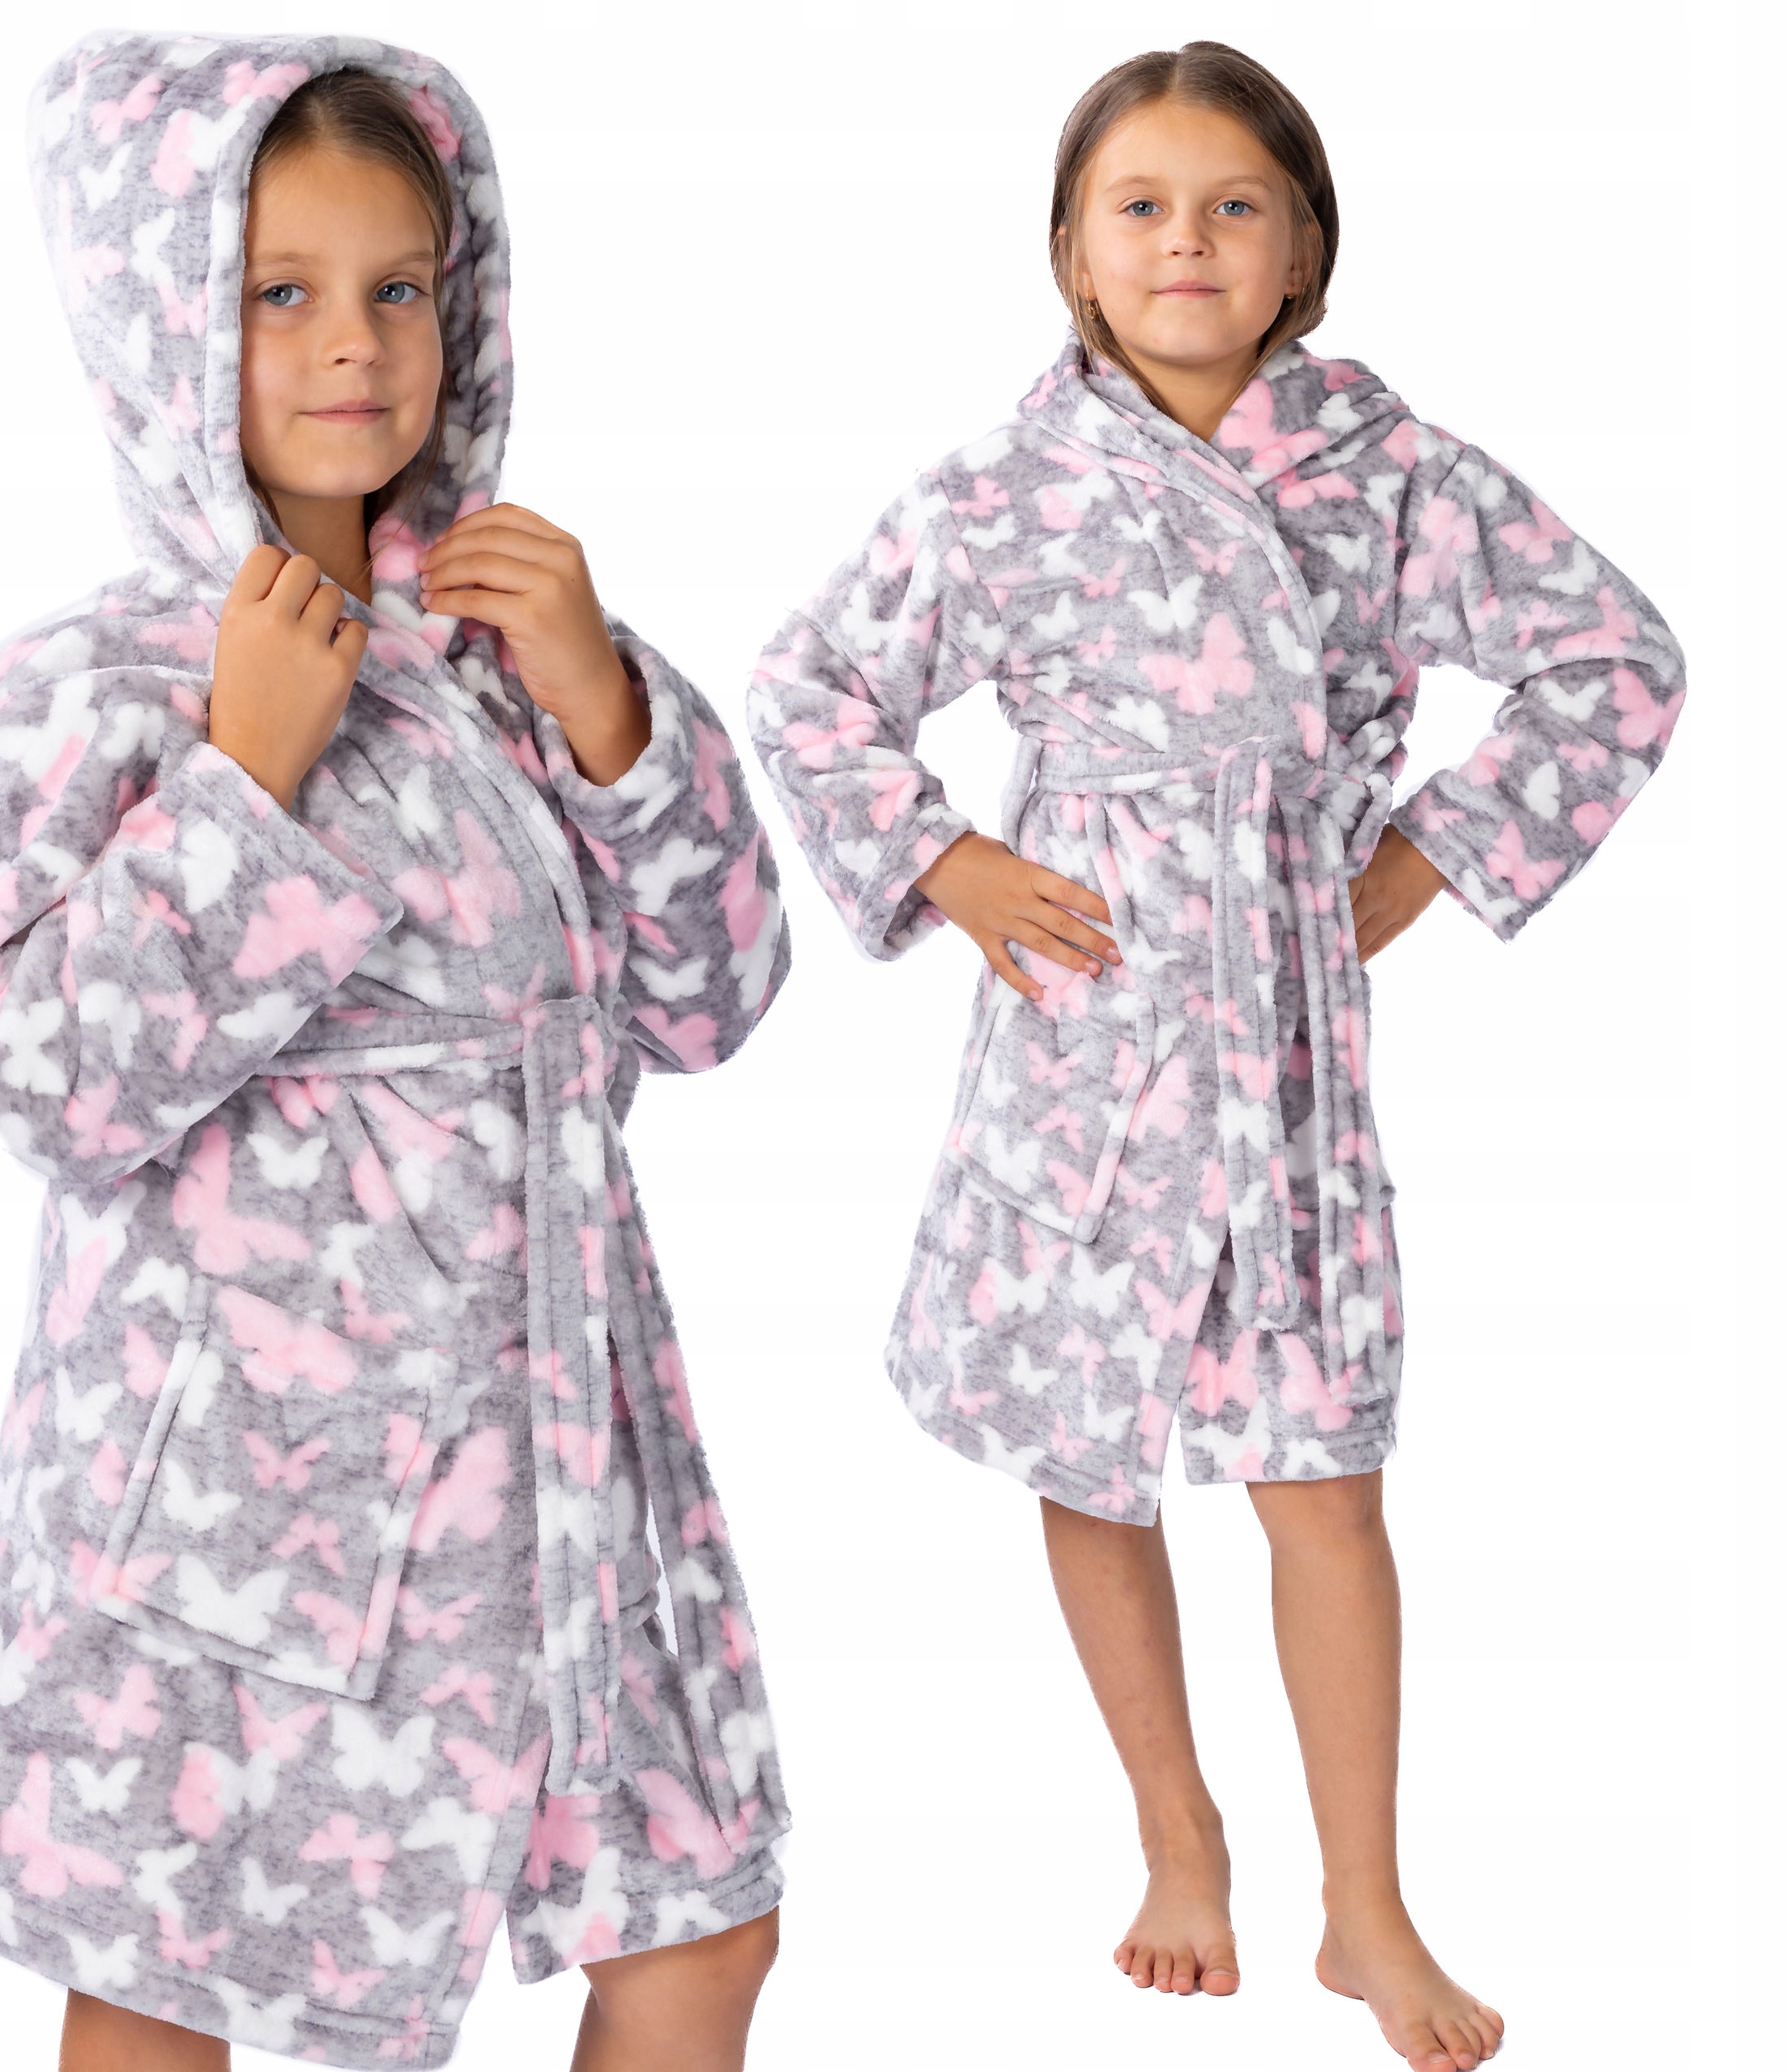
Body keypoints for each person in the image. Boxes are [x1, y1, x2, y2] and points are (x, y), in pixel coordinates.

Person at [748, 39, 1681, 2072]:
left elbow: (1617, 659)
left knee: (1321, 1477)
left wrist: (1416, 863)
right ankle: (1176, 1829)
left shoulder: (1392, 474)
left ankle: (1364, 1898)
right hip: (1080, 1039)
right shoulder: (1005, 488)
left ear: (1300, 255)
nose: (1186, 240)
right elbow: (808, 683)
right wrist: (946, 862)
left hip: (1283, 1053)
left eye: (1232, 206)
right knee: (1084, 1447)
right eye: (1140, 206)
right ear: (1070, 255)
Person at [0, 32, 788, 2071]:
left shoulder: (515, 650)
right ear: (161, 317)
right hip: (253, 1490)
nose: (354, 344)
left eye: (400, 285)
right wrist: (240, 776)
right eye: (279, 292)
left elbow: (710, 998)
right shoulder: (90, 684)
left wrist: (607, 707)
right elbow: (42, 1081)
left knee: (696, 1932)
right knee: (182, 1976)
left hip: (567, 1458)